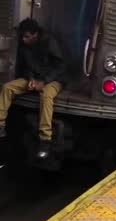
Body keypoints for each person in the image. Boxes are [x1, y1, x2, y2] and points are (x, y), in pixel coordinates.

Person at [0, 18, 66, 159]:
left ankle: (45, 139)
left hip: (53, 80)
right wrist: (30, 79)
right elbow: (27, 67)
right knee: (7, 88)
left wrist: (44, 81)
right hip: (35, 79)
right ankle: (0, 127)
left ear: (34, 35)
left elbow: (60, 67)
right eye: (22, 36)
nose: (23, 40)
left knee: (46, 94)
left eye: (26, 37)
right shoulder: (25, 46)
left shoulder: (49, 42)